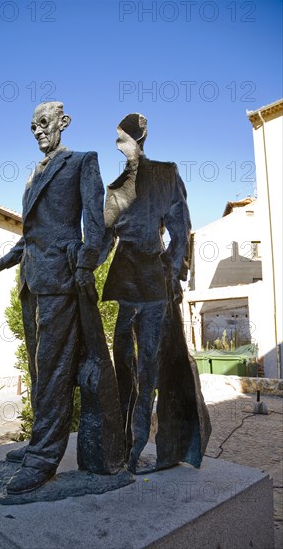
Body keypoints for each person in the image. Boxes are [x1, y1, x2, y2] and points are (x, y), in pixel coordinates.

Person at [0, 101, 106, 494]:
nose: (37, 131)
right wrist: (1, 262)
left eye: (44, 123)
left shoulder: (83, 161)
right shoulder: (34, 175)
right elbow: (31, 235)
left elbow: (96, 223)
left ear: (63, 123)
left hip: (63, 278)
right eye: (32, 126)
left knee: (53, 369)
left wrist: (85, 265)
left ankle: (45, 457)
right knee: (39, 370)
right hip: (32, 279)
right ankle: (39, 441)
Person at [101, 113, 211, 473]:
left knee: (149, 365)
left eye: (123, 138)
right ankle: (120, 440)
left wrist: (172, 268)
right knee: (123, 364)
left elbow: (182, 228)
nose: (119, 146)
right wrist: (81, 266)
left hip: (153, 282)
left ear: (140, 137)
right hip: (124, 282)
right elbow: (104, 240)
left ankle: (138, 448)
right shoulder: (115, 188)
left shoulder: (165, 173)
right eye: (117, 140)